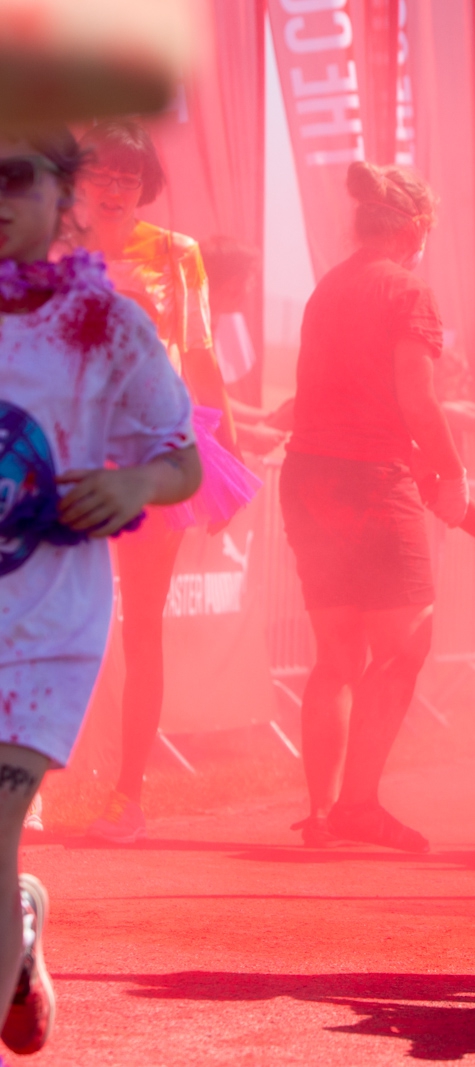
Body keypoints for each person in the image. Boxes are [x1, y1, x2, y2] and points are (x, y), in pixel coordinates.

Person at [0, 126, 201, 1054]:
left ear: (60, 197)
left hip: (44, 622)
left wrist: (130, 486)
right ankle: (19, 935)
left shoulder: (107, 323)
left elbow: (183, 459)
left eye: (15, 179)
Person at [280, 162, 475, 852]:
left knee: (336, 655)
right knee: (405, 646)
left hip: (309, 476)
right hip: (369, 481)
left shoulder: (327, 287)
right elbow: (416, 398)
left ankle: (323, 811)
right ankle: (357, 805)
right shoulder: (408, 289)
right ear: (418, 226)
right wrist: (452, 476)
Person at [72, 119, 254, 845]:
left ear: (145, 188)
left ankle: (127, 796)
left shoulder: (176, 255)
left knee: (140, 626)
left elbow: (201, 354)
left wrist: (230, 448)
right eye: (103, 175)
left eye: (129, 178)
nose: (116, 188)